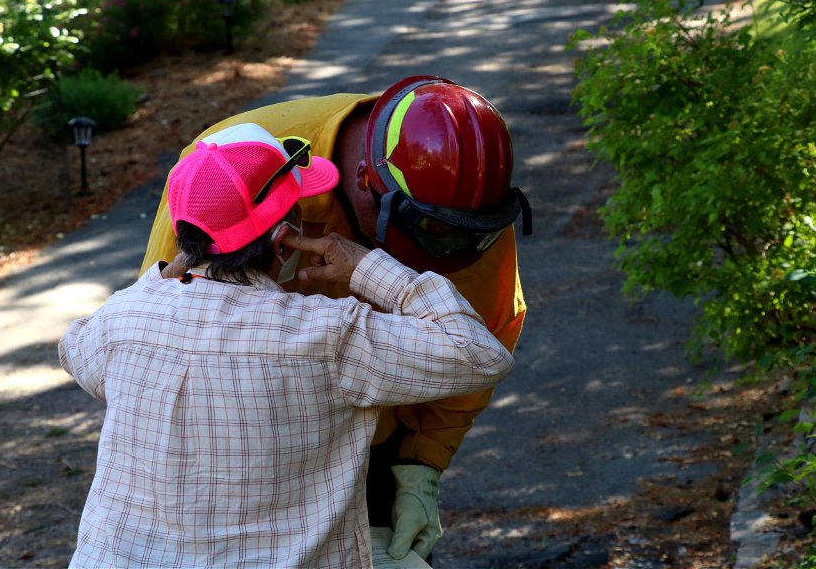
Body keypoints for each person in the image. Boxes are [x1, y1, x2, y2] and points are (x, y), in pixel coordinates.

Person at [59, 124, 514, 567]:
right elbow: (477, 352)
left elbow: (74, 344)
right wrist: (365, 267)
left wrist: (173, 267)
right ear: (283, 240)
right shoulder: (324, 336)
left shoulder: (124, 321)